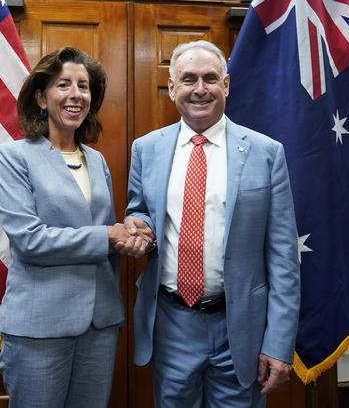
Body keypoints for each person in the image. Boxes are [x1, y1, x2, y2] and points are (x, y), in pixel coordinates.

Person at [124, 40, 301, 407]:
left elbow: (284, 257)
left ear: (226, 85)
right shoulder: (146, 148)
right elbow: (141, 209)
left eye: (210, 78)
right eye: (188, 79)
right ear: (173, 87)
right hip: (172, 322)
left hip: (241, 326)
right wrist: (138, 224)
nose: (200, 89)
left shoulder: (266, 153)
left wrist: (279, 343)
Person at [0, 47, 149, 408]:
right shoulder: (13, 157)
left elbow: (102, 230)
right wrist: (108, 235)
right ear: (41, 97)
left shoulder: (96, 160)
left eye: (84, 86)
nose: (76, 95)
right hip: (39, 328)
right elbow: (30, 240)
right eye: (64, 85)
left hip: (100, 324)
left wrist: (130, 234)